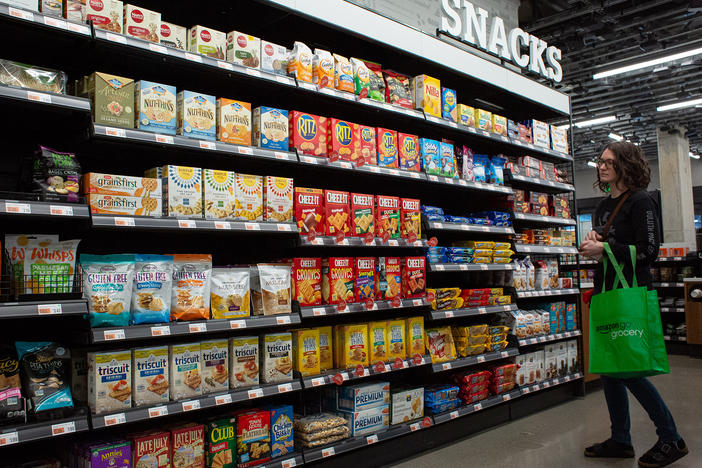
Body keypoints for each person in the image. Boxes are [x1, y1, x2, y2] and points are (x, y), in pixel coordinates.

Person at [579, 141, 688, 468]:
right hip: (606, 294)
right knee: (610, 370)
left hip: (630, 294)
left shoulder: (641, 201)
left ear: (626, 165)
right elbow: (608, 242)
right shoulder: (602, 206)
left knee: (627, 370)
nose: (602, 167)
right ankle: (621, 439)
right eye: (600, 162)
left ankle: (671, 437)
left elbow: (650, 251)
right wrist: (597, 241)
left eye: (609, 162)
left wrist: (606, 247)